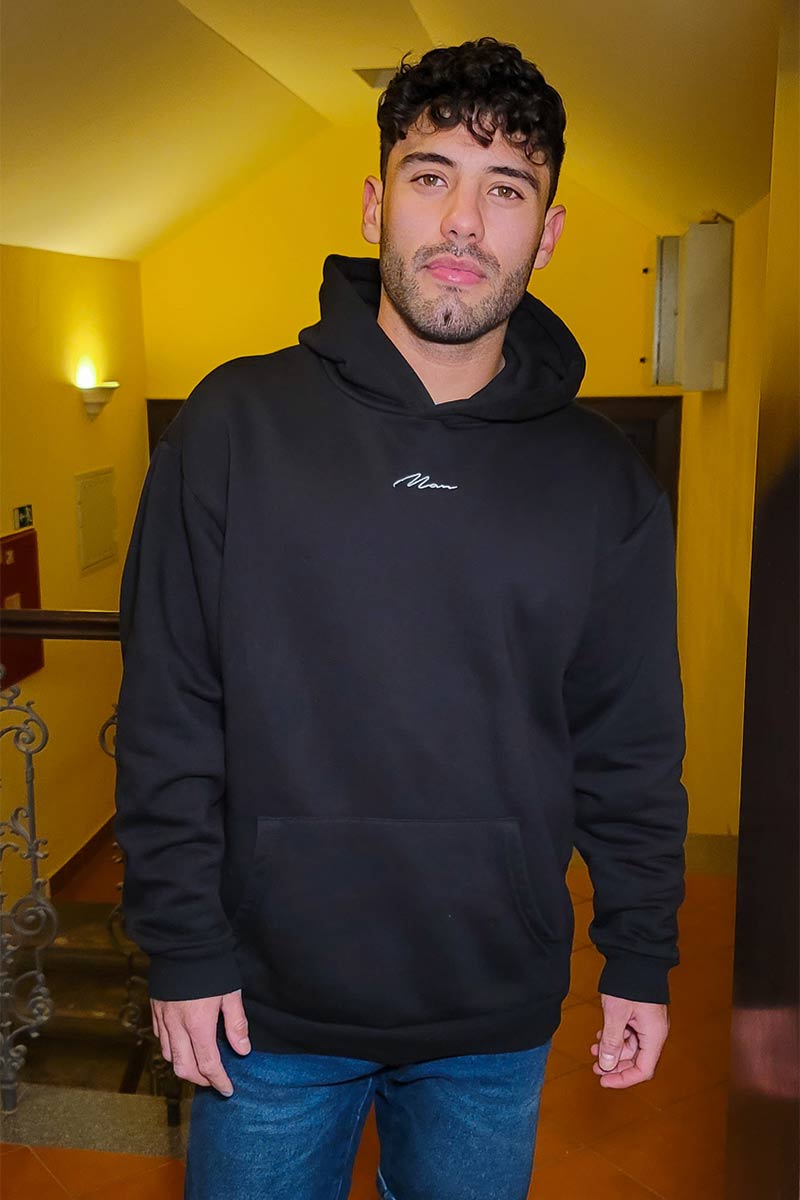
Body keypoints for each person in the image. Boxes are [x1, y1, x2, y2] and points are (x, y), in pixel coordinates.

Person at [114, 36, 688, 1200]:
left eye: (504, 189)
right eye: (431, 178)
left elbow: (627, 743)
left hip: (489, 1018)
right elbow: (169, 704)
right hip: (261, 1011)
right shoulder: (234, 426)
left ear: (546, 232)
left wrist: (638, 950)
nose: (462, 222)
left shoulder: (600, 480)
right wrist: (180, 944)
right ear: (377, 204)